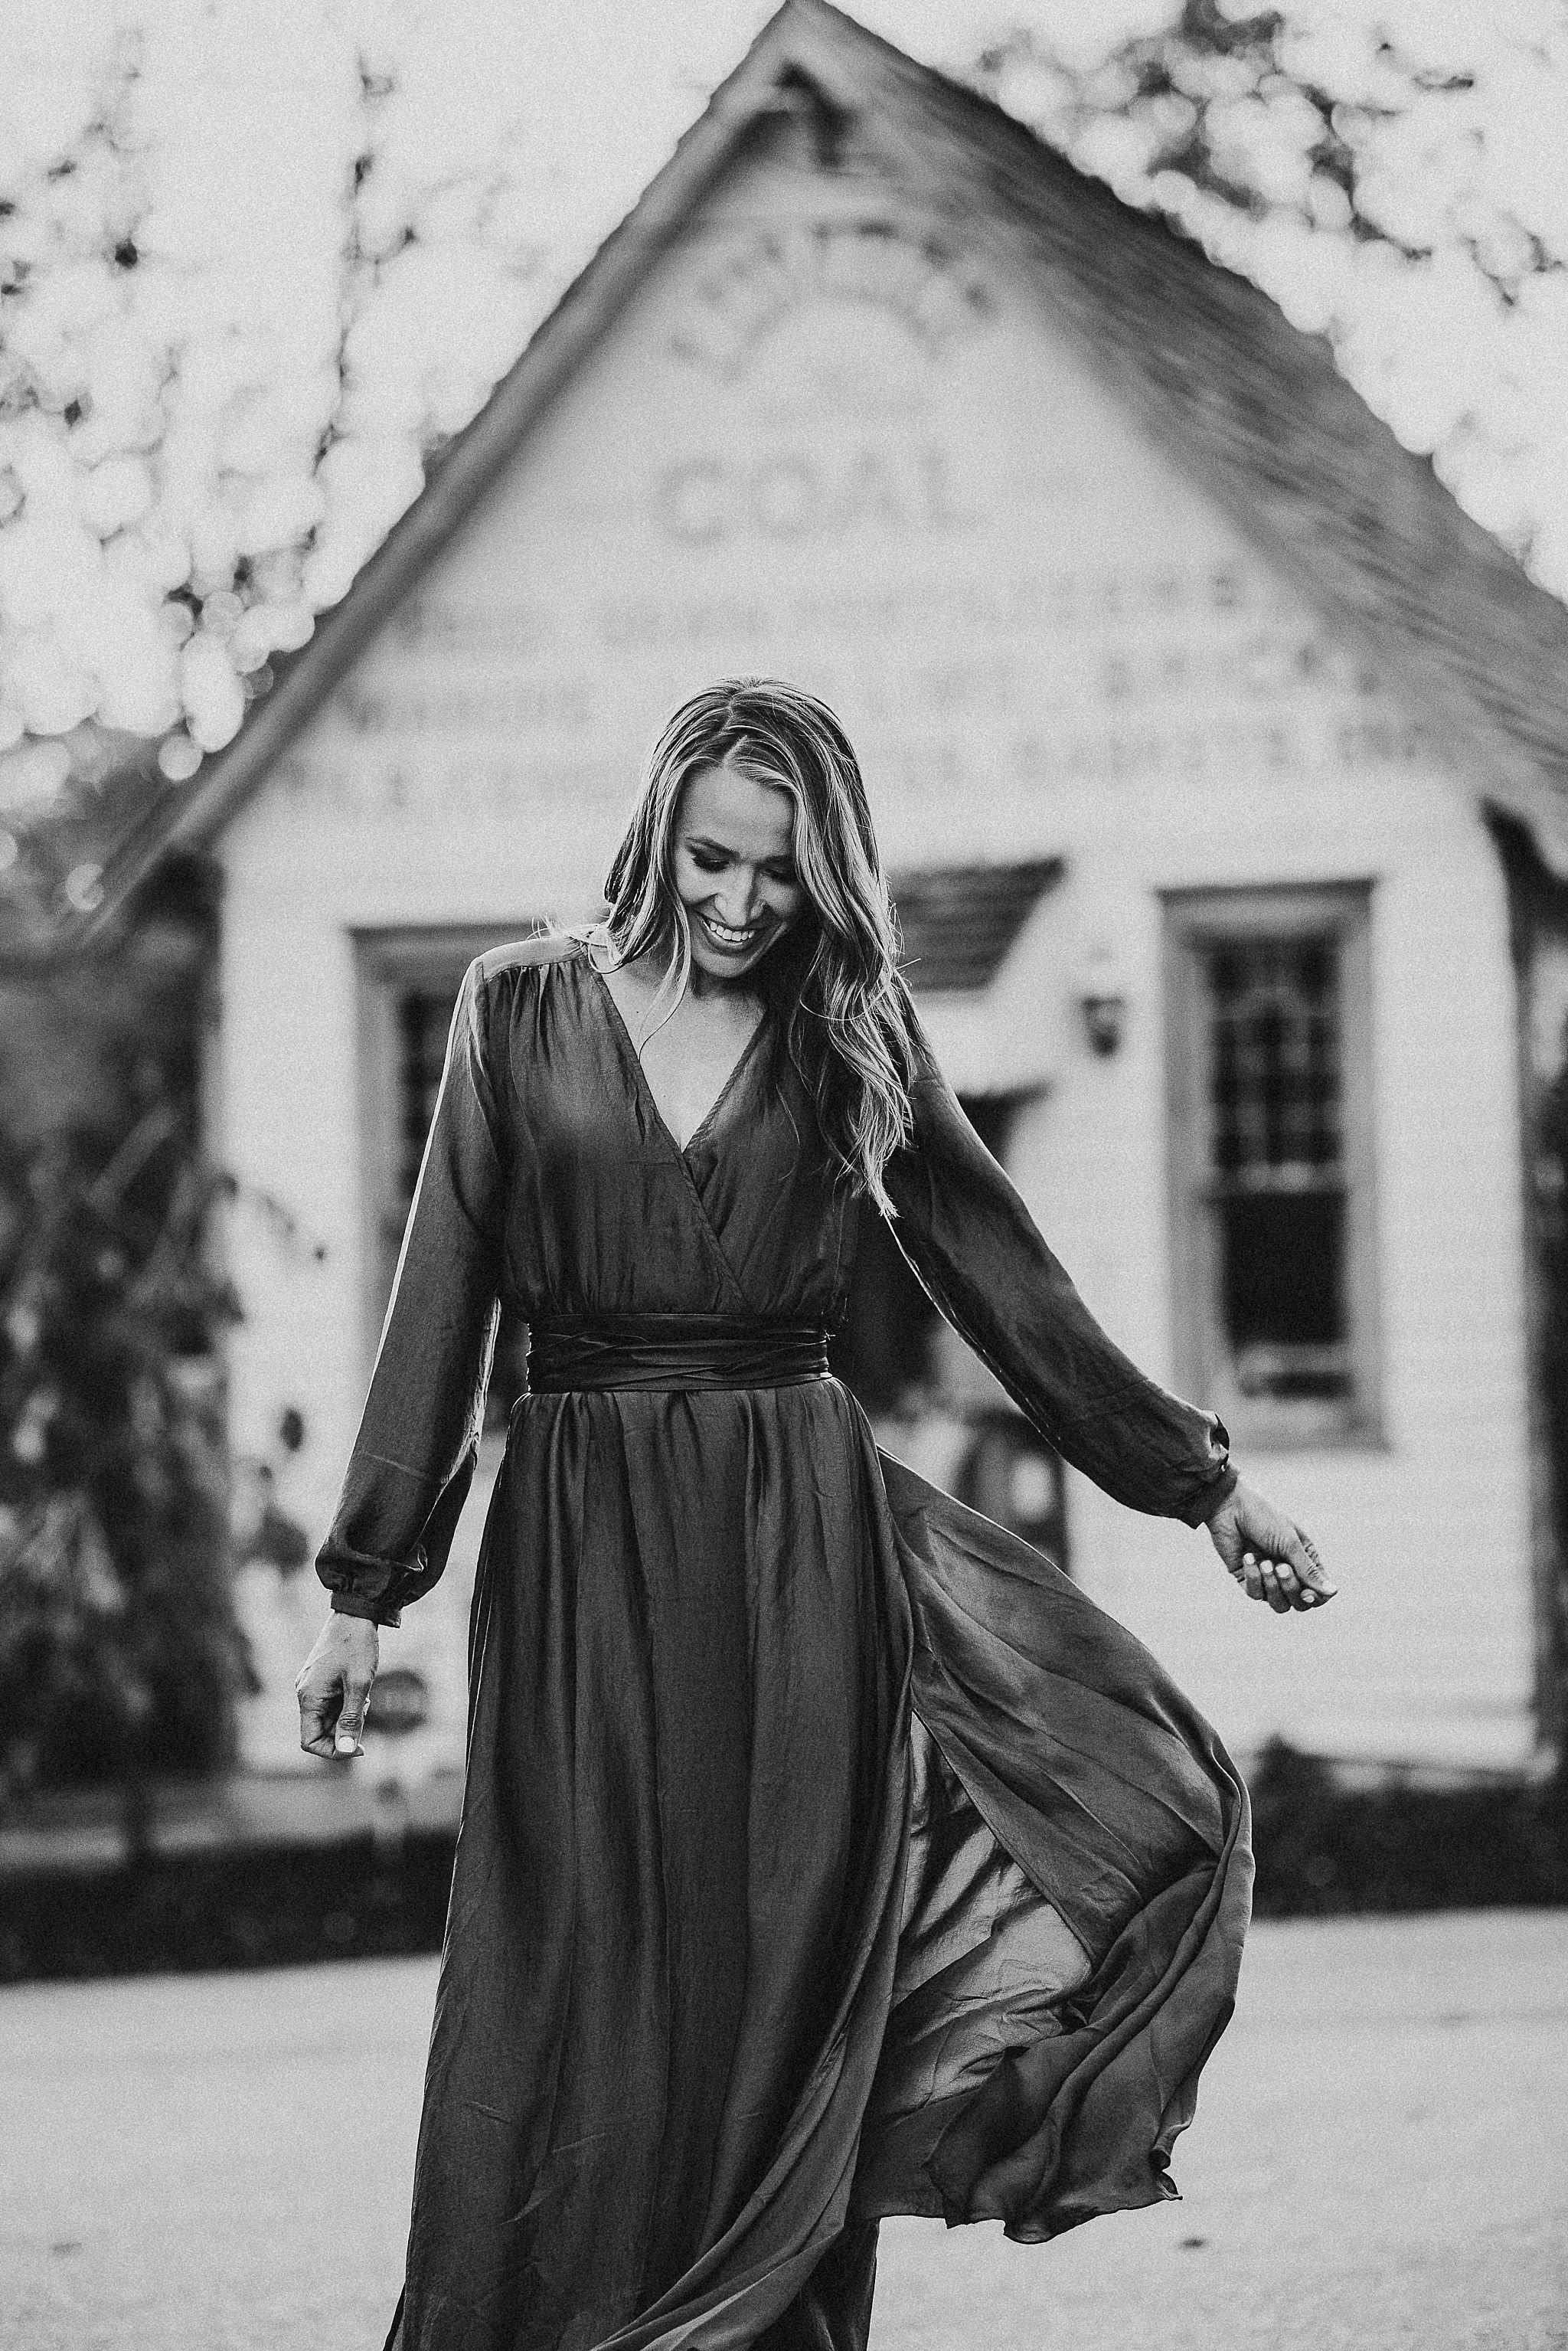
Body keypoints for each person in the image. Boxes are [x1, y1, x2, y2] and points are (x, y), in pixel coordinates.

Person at [296, 678, 1334, 2351]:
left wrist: (1200, 1482)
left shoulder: (849, 1028)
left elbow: (1003, 1275)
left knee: (777, 1979)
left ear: (827, 873)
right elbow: (443, 1307)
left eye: (779, 873)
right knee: (578, 1972)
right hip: (578, 1543)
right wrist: (364, 1591)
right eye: (711, 857)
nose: (737, 902)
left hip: (797, 1550)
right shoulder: (517, 1007)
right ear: (656, 830)